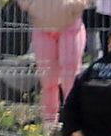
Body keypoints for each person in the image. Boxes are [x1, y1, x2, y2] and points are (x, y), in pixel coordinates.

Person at [18, 0, 89, 129]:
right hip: (42, 27)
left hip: (71, 25)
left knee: (70, 76)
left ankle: (73, 120)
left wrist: (74, 5)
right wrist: (32, 6)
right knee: (48, 78)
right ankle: (50, 122)